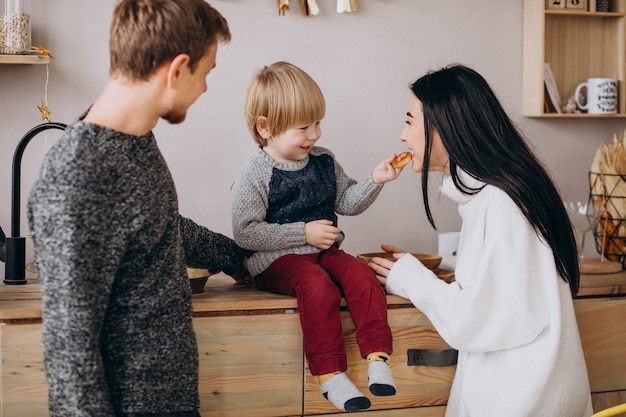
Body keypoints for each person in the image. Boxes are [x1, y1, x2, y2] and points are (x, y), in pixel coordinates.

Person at [26, 1, 247, 416]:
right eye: (207, 72)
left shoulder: (134, 141)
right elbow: (69, 347)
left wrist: (237, 257)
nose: (204, 89)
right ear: (177, 69)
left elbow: (158, 225)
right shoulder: (79, 174)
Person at [367, 64, 593, 417]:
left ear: (442, 127)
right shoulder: (501, 193)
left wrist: (412, 279)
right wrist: (437, 264)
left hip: (520, 403)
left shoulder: (499, 203)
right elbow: (513, 279)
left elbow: (471, 322)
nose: (403, 135)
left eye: (410, 121)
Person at [231, 61, 404, 412]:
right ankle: (329, 374)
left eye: (318, 123)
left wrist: (375, 179)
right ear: (265, 127)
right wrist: (303, 231)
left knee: (359, 272)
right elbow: (245, 233)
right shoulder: (256, 172)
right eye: (303, 127)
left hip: (323, 251)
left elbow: (347, 202)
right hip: (276, 261)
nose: (315, 135)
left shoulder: (323, 161)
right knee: (316, 284)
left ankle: (377, 356)